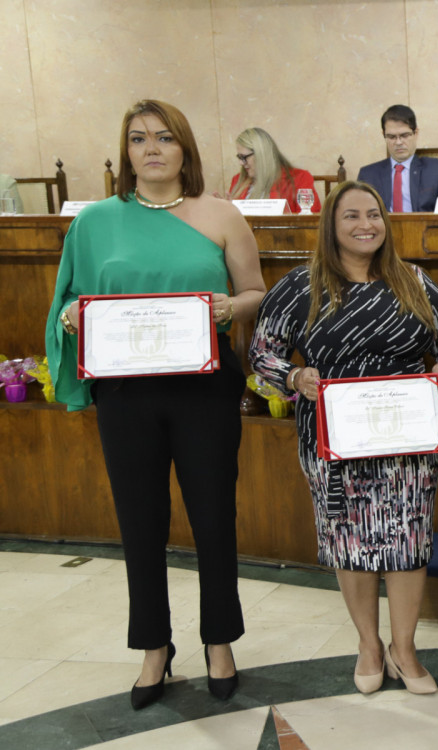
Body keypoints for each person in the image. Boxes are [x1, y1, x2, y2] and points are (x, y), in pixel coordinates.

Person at [45, 99, 266, 709]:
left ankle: (220, 641)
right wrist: (69, 314)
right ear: (126, 152)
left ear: (185, 149)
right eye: (139, 139)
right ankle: (153, 647)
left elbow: (254, 291)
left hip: (204, 388)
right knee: (140, 523)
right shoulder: (94, 223)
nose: (152, 149)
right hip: (126, 393)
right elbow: (71, 300)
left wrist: (229, 307)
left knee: (214, 517)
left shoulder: (222, 215)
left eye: (165, 138)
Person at [249, 180, 438, 695]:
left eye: (374, 214)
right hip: (333, 436)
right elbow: (261, 352)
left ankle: (404, 648)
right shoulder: (302, 285)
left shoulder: (411, 278)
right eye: (351, 216)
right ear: (331, 225)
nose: (366, 224)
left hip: (406, 434)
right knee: (350, 538)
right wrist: (296, 377)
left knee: (409, 537)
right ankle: (369, 645)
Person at [357, 105, 438, 212]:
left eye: (404, 135)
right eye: (391, 137)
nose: (398, 142)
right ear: (384, 135)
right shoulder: (368, 175)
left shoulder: (437, 169)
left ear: (416, 133)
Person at [226, 127, 321, 214]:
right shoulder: (238, 180)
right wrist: (224, 210)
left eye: (244, 157)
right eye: (239, 157)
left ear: (262, 155)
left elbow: (310, 221)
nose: (241, 163)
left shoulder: (300, 178)